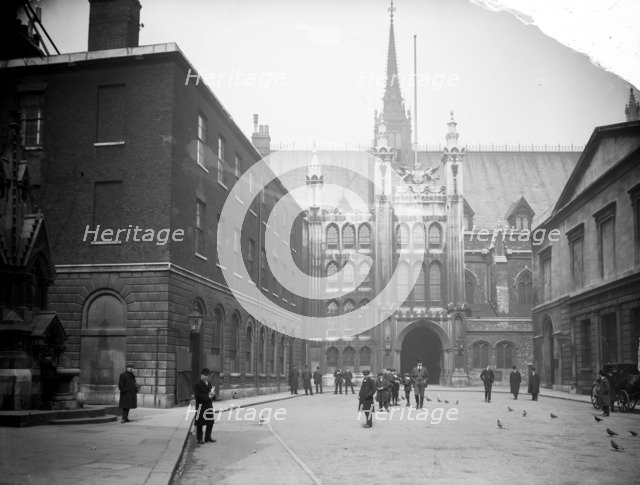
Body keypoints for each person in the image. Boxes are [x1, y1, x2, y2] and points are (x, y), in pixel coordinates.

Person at [194, 368, 215, 444]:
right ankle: (199, 439)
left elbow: (211, 394)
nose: (206, 377)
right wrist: (208, 397)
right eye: (204, 375)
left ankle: (207, 437)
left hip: (208, 406)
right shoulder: (197, 384)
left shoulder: (209, 383)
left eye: (207, 375)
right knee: (200, 423)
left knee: (210, 422)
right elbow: (198, 396)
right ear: (201, 375)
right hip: (201, 406)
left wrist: (213, 395)